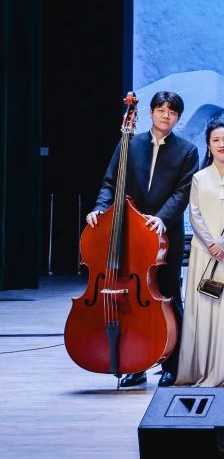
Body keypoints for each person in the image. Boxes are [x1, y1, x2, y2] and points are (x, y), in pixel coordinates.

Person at [85, 90, 199, 388]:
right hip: (129, 234)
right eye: (161, 110)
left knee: (169, 296)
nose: (166, 116)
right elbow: (110, 182)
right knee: (131, 301)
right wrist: (100, 208)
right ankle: (135, 365)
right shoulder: (129, 143)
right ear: (150, 112)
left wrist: (161, 218)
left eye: (172, 112)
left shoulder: (187, 151)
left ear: (178, 118)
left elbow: (183, 192)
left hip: (165, 235)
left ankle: (172, 365)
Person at [175, 119, 224, 387]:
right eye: (216, 140)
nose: (222, 144)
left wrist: (223, 244)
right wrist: (211, 243)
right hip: (204, 252)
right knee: (205, 308)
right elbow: (194, 213)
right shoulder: (199, 177)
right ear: (208, 145)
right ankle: (203, 367)